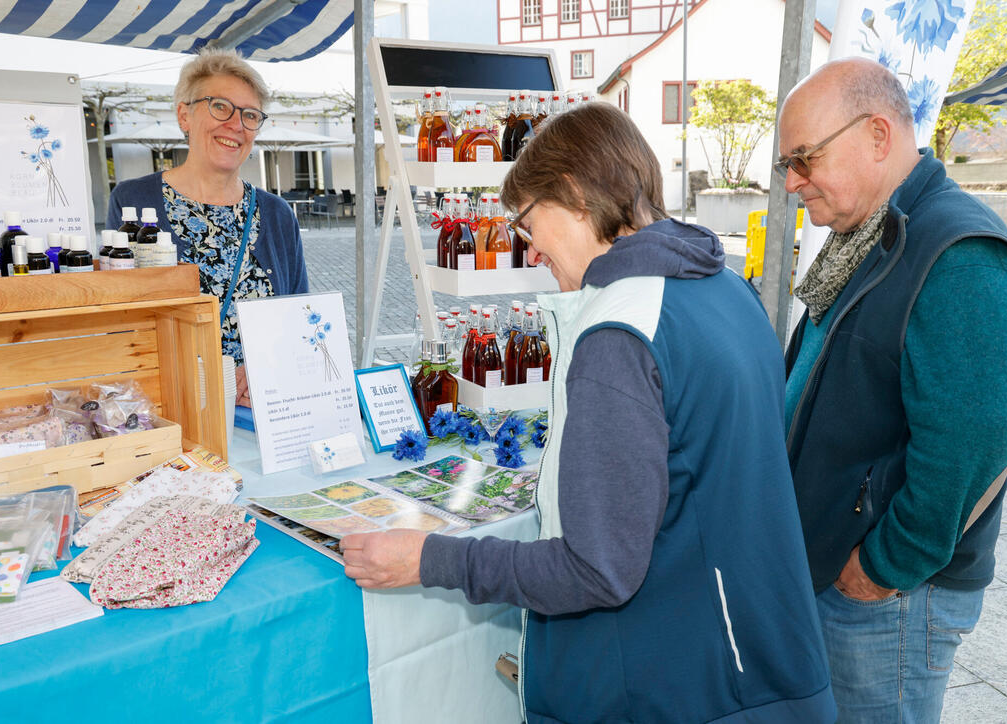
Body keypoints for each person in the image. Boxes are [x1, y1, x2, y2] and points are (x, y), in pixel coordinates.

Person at [342, 103, 835, 723]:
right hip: (753, 658)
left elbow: (596, 569)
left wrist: (426, 557)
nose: (529, 248)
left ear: (574, 194)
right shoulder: (726, 287)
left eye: (526, 222)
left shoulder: (618, 334)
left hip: (674, 685)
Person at [778, 58, 1007, 722]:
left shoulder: (956, 249)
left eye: (803, 159)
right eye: (787, 165)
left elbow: (974, 447)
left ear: (878, 136)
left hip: (887, 597)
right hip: (842, 575)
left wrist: (880, 568)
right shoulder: (868, 235)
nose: (791, 182)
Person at [107, 48, 309, 407]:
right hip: (175, 407)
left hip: (261, 412)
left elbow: (301, 322)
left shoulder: (278, 215)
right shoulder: (133, 201)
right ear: (184, 114)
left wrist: (264, 369)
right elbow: (125, 323)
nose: (236, 125)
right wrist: (215, 374)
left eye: (250, 115)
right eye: (220, 106)